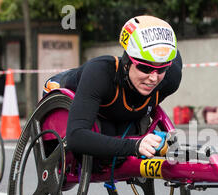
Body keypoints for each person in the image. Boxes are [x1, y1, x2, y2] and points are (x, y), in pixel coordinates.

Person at [42, 15, 182, 160]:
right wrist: (134, 146)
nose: (153, 78)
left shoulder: (171, 78)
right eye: (145, 68)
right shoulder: (100, 73)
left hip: (119, 114)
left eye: (161, 69)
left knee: (123, 132)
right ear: (127, 62)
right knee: (105, 139)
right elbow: (75, 136)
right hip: (67, 91)